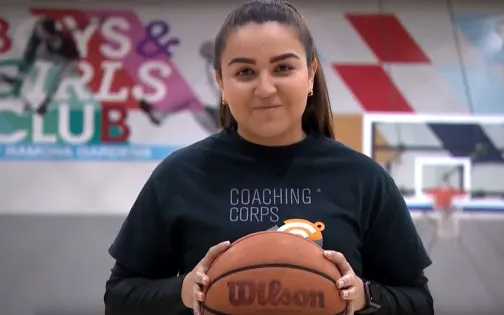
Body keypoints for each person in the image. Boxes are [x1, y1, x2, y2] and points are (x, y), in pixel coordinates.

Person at [104, 1, 434, 315]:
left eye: (283, 68)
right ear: (220, 82)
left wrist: (364, 296)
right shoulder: (179, 176)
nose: (265, 88)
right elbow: (119, 298)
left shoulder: (364, 179)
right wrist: (184, 291)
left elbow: (419, 302)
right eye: (245, 71)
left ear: (310, 74)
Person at [0, 16, 80, 115]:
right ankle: (18, 79)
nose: (48, 39)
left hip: (65, 57)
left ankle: (44, 99)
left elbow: (58, 80)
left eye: (51, 38)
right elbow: (31, 50)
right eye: (47, 37)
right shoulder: (41, 31)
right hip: (47, 43)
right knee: (32, 51)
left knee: (61, 70)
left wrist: (46, 103)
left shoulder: (68, 52)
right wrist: (19, 77)